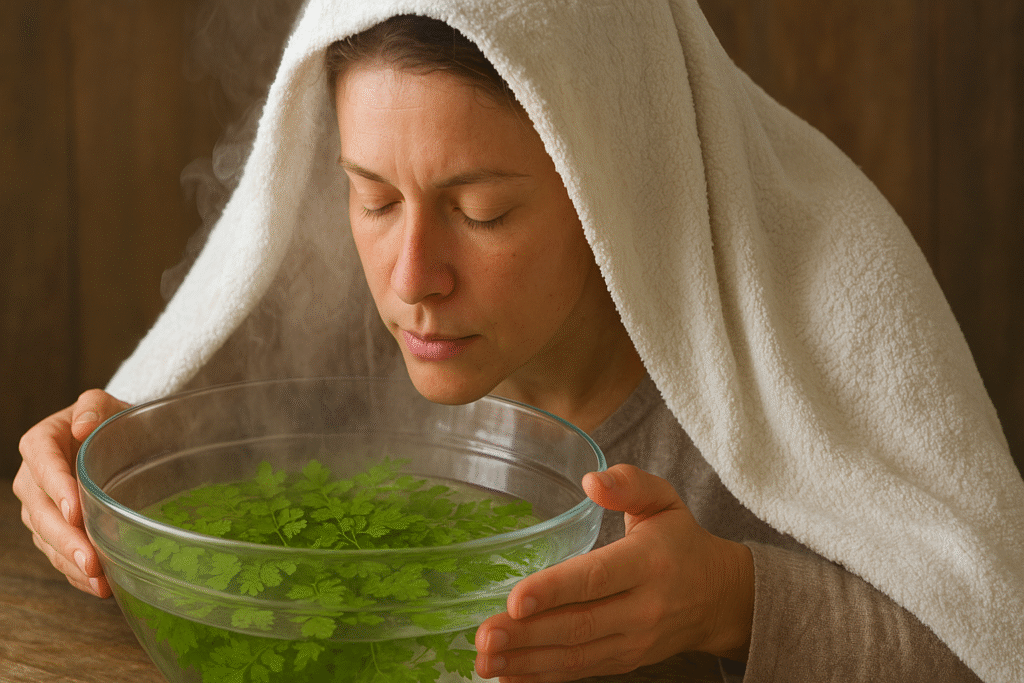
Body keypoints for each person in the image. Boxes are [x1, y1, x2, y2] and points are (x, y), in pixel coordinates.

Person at [15, 3, 1024, 682]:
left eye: (485, 210)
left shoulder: (819, 282)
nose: (411, 278)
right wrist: (91, 459)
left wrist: (729, 597)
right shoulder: (317, 283)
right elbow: (160, 451)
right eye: (371, 195)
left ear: (614, 180)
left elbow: (994, 626)